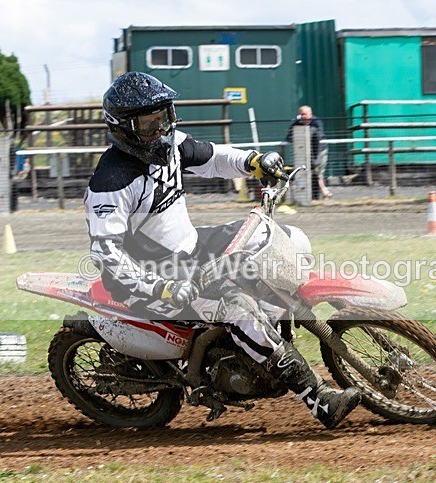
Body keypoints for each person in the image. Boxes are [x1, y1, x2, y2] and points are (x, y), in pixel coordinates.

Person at [85, 72, 360, 428]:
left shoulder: (171, 144)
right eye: (149, 124)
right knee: (238, 309)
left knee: (285, 237)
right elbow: (107, 254)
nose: (162, 131)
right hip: (153, 278)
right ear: (123, 128)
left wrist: (253, 162)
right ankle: (317, 398)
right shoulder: (111, 183)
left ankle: (269, 338)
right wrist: (162, 287)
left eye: (165, 118)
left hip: (191, 247)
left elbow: (213, 157)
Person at [285, 105, 332, 200]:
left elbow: (320, 136)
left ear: (310, 114)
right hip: (304, 154)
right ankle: (322, 193)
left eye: (305, 114)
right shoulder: (296, 124)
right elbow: (289, 137)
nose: (303, 116)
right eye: (301, 114)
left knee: (318, 172)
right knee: (308, 172)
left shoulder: (316, 122)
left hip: (319, 151)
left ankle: (323, 192)